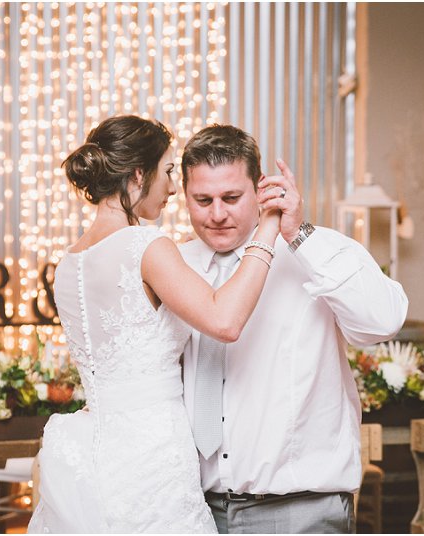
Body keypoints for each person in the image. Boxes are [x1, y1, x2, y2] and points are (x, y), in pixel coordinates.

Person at [28, 116, 282, 533]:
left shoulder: (68, 263)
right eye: (167, 171)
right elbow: (224, 321)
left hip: (96, 448)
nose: (172, 187)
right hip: (153, 450)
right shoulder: (146, 246)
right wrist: (268, 227)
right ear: (137, 175)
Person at [179, 124, 409, 534]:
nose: (217, 214)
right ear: (185, 195)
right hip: (195, 511)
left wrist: (299, 235)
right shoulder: (174, 266)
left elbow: (382, 322)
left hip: (300, 511)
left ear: (260, 188)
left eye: (231, 198)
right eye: (203, 200)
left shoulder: (314, 249)